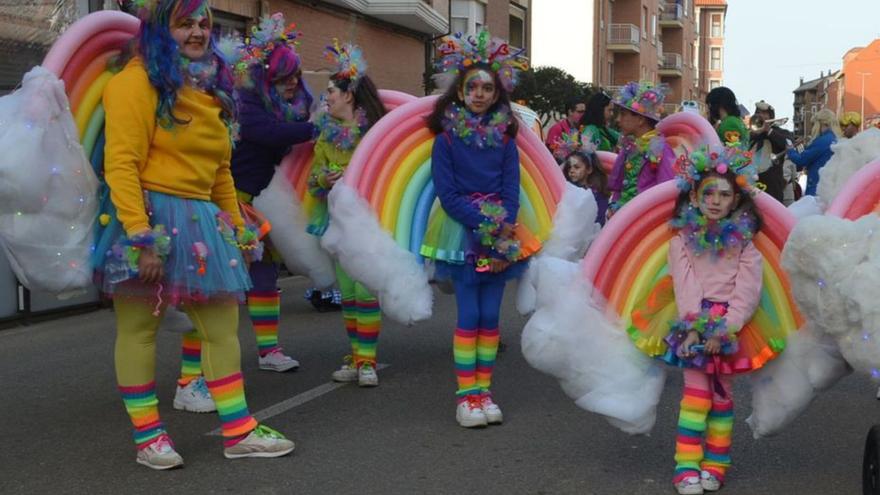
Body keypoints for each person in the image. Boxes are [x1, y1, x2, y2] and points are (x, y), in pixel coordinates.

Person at [97, 0, 294, 469]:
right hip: (147, 214)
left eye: (204, 23)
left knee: (222, 328)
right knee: (140, 329)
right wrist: (141, 237)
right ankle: (149, 438)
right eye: (185, 23)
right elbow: (121, 164)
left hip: (204, 221)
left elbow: (221, 172)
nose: (198, 32)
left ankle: (239, 429)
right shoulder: (134, 81)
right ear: (160, 30)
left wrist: (239, 231)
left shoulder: (206, 89)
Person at [628, 146, 769, 494]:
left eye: (725, 194)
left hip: (731, 328)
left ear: (736, 200)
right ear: (694, 195)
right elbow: (684, 284)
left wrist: (725, 329)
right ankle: (686, 465)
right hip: (692, 323)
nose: (716, 201)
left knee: (722, 399)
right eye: (709, 192)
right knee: (695, 396)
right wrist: (694, 327)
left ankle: (716, 465)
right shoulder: (682, 242)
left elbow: (747, 292)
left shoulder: (746, 246)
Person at [422, 29, 539, 428]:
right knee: (468, 314)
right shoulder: (447, 140)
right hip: (461, 232)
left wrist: (505, 224)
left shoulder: (506, 139)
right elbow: (447, 192)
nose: (479, 93)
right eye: (472, 86)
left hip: (501, 235)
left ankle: (484, 391)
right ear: (460, 92)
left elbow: (511, 186)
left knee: (491, 316)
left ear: (496, 94)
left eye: (487, 88)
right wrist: (483, 222)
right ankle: (465, 396)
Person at [306, 40, 388, 387]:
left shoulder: (373, 133)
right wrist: (324, 178)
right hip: (338, 223)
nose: (326, 97)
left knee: (366, 291)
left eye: (330, 92)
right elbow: (312, 182)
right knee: (349, 295)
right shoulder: (325, 136)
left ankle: (367, 361)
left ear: (349, 96)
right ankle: (357, 357)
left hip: (369, 226)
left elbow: (388, 176)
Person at [607, 81, 676, 215]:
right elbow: (618, 186)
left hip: (645, 221)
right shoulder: (629, 147)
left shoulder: (660, 148)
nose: (617, 119)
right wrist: (614, 206)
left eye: (623, 114)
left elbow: (667, 192)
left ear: (640, 120)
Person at [553, 128, 610, 225]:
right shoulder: (566, 189)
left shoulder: (597, 194)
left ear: (589, 170)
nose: (571, 170)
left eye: (576, 167)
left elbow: (599, 220)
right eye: (569, 167)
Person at [787, 108, 841, 196]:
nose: (813, 127)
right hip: (831, 188)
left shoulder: (822, 141)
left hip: (817, 188)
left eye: (814, 124)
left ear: (821, 123)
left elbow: (801, 160)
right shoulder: (836, 140)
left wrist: (790, 150)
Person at [748, 100, 792, 203]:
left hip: (773, 185)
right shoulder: (752, 134)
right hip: (753, 182)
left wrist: (769, 131)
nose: (761, 116)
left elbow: (788, 144)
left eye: (764, 113)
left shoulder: (781, 132)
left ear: (771, 116)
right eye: (758, 113)